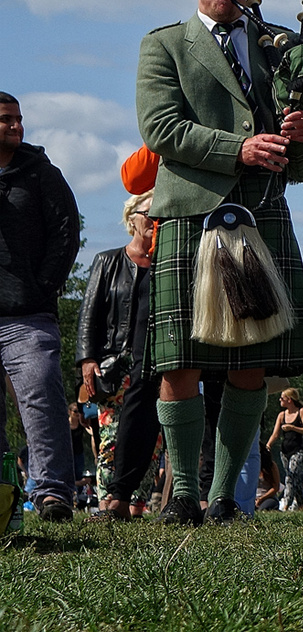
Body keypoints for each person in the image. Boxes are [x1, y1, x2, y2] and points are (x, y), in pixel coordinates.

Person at [135, 0, 303, 526]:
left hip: (261, 215)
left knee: (249, 365)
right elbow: (161, 128)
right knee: (178, 363)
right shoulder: (164, 45)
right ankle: (183, 492)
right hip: (189, 216)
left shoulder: (279, 45)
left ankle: (225, 495)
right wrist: (241, 149)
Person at [0, 92, 82, 524]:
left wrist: (43, 287)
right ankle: (4, 495)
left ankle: (52, 495)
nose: (14, 126)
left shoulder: (41, 175)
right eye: (4, 120)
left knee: (42, 394)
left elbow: (66, 232)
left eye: (17, 119)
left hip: (26, 315)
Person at [76, 190, 161, 521]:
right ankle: (109, 502)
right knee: (111, 437)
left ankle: (136, 503)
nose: (155, 221)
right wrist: (87, 359)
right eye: (149, 214)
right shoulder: (108, 261)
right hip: (113, 366)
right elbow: (89, 315)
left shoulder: (166, 265)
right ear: (132, 219)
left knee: (150, 438)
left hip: (152, 364)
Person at [266, 387, 303, 510]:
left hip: (298, 449)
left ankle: (286, 504)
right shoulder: (282, 415)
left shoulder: (301, 411)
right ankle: (301, 504)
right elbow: (275, 434)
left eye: (282, 398)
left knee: (290, 475)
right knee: (294, 477)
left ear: (289, 400)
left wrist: (292, 428)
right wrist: (268, 445)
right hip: (285, 450)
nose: (280, 400)